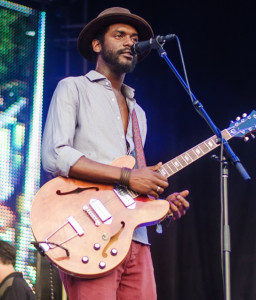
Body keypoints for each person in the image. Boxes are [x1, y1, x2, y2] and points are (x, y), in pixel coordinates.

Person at [42, 6, 190, 300]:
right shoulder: (73, 88)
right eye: (119, 35)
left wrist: (158, 206)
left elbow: (129, 188)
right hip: (88, 231)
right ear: (97, 45)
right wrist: (128, 176)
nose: (129, 43)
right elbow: (55, 156)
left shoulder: (140, 113)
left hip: (135, 239)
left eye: (134, 38)